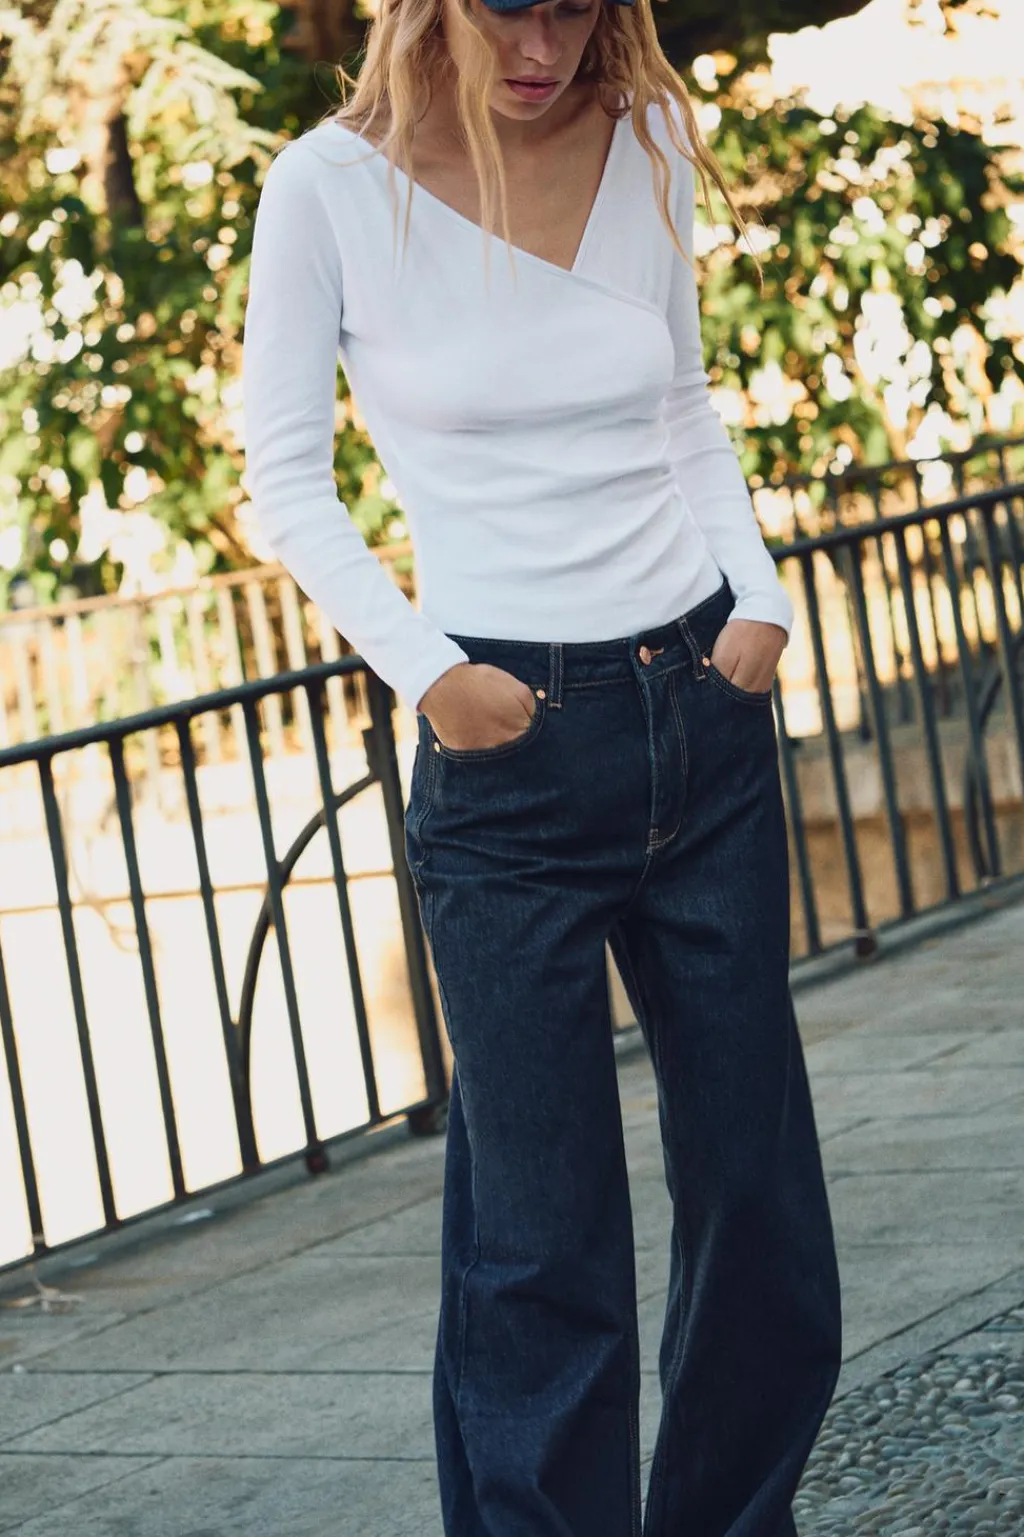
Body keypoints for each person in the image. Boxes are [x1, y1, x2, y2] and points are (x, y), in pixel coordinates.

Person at [241, 0, 844, 1530]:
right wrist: (432, 675)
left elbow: (684, 406)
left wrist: (761, 600)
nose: (542, 46)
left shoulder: (649, 139)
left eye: (575, 6)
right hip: (508, 759)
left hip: (698, 711)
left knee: (760, 1196)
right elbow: (287, 480)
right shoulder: (329, 188)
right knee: (542, 1232)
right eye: (509, 8)